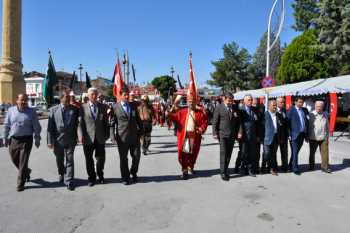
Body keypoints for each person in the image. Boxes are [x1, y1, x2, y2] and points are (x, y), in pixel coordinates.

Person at [3, 94, 41, 192]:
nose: (24, 102)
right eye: (22, 100)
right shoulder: (11, 110)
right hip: (14, 140)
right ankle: (26, 171)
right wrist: (5, 138)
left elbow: (36, 126)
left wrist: (37, 138)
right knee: (14, 159)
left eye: (25, 100)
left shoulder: (31, 112)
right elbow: (6, 125)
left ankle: (20, 184)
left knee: (23, 162)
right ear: (17, 100)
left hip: (26, 140)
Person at [168, 94, 208, 180]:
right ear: (187, 103)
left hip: (196, 136)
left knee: (193, 153)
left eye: (193, 102)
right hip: (186, 136)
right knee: (185, 154)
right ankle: (185, 170)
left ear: (195, 103)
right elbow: (173, 117)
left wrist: (201, 129)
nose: (191, 103)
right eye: (189, 102)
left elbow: (205, 122)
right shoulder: (182, 111)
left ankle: (191, 166)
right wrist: (170, 111)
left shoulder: (200, 112)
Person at [110, 87, 143, 185]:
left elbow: (138, 120)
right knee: (123, 158)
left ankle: (133, 172)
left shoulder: (133, 106)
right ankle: (125, 177)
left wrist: (141, 131)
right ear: (120, 95)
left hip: (134, 136)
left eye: (128, 94)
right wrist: (112, 136)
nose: (127, 96)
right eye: (125, 94)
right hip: (122, 137)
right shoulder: (115, 107)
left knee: (136, 156)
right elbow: (112, 123)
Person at [47, 91, 79, 191]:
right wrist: (49, 141)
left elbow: (78, 124)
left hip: (70, 139)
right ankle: (61, 173)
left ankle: (69, 181)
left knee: (70, 160)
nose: (68, 99)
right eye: (66, 97)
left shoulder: (74, 109)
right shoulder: (53, 110)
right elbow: (50, 127)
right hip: (58, 140)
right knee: (59, 159)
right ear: (61, 98)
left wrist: (79, 135)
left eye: (69, 97)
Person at [78, 87, 110, 186]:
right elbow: (80, 123)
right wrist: (80, 136)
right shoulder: (82, 107)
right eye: (92, 94)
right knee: (89, 159)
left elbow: (106, 122)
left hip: (100, 137)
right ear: (88, 95)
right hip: (87, 138)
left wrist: (107, 135)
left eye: (96, 94)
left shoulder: (103, 107)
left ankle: (100, 175)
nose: (94, 96)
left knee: (101, 158)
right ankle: (91, 178)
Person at [212, 93, 241, 181]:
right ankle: (223, 173)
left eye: (232, 100)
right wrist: (214, 133)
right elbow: (215, 121)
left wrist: (239, 132)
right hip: (222, 134)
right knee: (223, 153)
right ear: (224, 99)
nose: (230, 102)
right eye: (229, 100)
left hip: (232, 135)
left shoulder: (235, 108)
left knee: (229, 154)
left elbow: (238, 122)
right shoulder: (219, 107)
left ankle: (226, 169)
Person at [240, 94, 262, 177]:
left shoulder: (255, 110)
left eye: (251, 100)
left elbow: (258, 124)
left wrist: (258, 135)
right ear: (244, 101)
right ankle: (241, 167)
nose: (250, 101)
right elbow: (239, 124)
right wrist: (239, 133)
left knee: (251, 154)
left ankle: (250, 170)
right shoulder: (241, 110)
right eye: (249, 100)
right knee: (243, 153)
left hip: (253, 136)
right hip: (244, 136)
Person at [287, 97, 309, 175]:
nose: (301, 104)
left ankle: (290, 165)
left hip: (302, 134)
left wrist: (307, 136)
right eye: (299, 102)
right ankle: (295, 168)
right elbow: (287, 123)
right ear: (295, 102)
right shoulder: (291, 110)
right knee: (295, 152)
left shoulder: (305, 110)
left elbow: (307, 122)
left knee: (295, 152)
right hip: (294, 135)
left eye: (302, 102)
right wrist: (289, 134)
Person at [308, 100, 331, 173]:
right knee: (312, 153)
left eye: (320, 106)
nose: (319, 108)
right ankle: (311, 166)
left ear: (323, 107)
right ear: (315, 106)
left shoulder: (325, 114)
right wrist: (307, 136)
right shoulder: (311, 114)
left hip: (323, 137)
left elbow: (327, 126)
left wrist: (327, 137)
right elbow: (307, 126)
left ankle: (325, 167)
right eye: (317, 106)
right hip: (313, 137)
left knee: (325, 153)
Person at [263, 100, 281, 176]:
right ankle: (263, 167)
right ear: (269, 106)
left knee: (273, 154)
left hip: (276, 137)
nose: (275, 107)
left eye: (275, 105)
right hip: (267, 138)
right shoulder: (265, 115)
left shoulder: (278, 115)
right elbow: (261, 127)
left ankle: (271, 169)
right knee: (266, 153)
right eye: (273, 105)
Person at [276, 97, 289, 172]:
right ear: (277, 103)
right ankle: (275, 167)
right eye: (281, 102)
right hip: (276, 135)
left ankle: (285, 167)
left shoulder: (285, 110)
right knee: (274, 152)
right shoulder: (273, 111)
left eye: (283, 102)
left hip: (284, 135)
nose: (282, 103)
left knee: (284, 152)